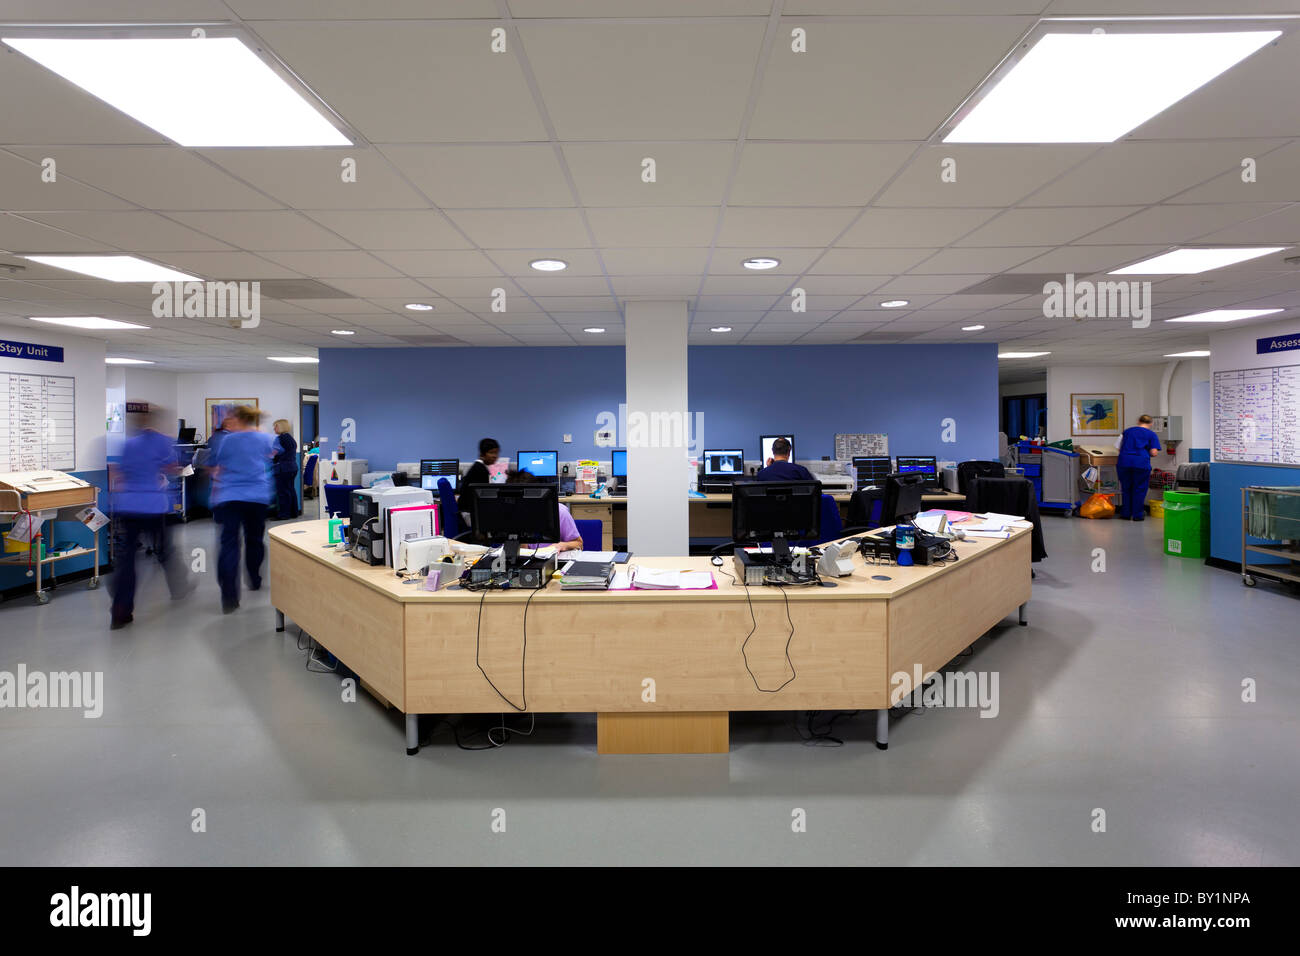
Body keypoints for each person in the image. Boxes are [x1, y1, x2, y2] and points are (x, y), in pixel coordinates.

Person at [108, 407, 193, 630]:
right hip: (153, 506)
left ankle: (120, 610)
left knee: (127, 560)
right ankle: (179, 588)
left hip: (128, 506)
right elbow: (172, 468)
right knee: (164, 549)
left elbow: (120, 474)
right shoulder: (162, 442)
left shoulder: (128, 445)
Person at [209, 405, 276, 612]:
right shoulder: (264, 438)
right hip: (257, 496)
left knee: (229, 544)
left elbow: (218, 467)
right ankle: (254, 578)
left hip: (230, 497)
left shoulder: (228, 440)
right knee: (254, 540)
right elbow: (272, 454)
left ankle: (229, 598)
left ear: (237, 419)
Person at [505, 469, 583, 552]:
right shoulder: (510, 513)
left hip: (554, 560)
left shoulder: (559, 511)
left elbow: (579, 544)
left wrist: (563, 545)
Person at [1116, 414, 1163, 521]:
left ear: (1138, 421)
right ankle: (1137, 515)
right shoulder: (1151, 434)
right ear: (1151, 423)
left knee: (1126, 488)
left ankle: (1126, 514)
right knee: (1140, 488)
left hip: (1124, 462)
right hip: (1141, 463)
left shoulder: (1127, 431)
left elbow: (1118, 448)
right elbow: (1154, 452)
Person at [459, 438, 501, 532]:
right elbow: (483, 499)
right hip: (470, 515)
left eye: (496, 453)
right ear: (482, 454)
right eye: (491, 453)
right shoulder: (480, 470)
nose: (495, 456)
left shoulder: (478, 467)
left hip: (467, 512)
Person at [271, 419, 300, 520]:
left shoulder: (279, 439)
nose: (274, 429)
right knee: (290, 490)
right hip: (292, 468)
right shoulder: (290, 439)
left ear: (281, 427)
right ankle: (294, 512)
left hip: (283, 469)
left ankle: (284, 514)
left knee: (282, 492)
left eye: (276, 426)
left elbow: (274, 453)